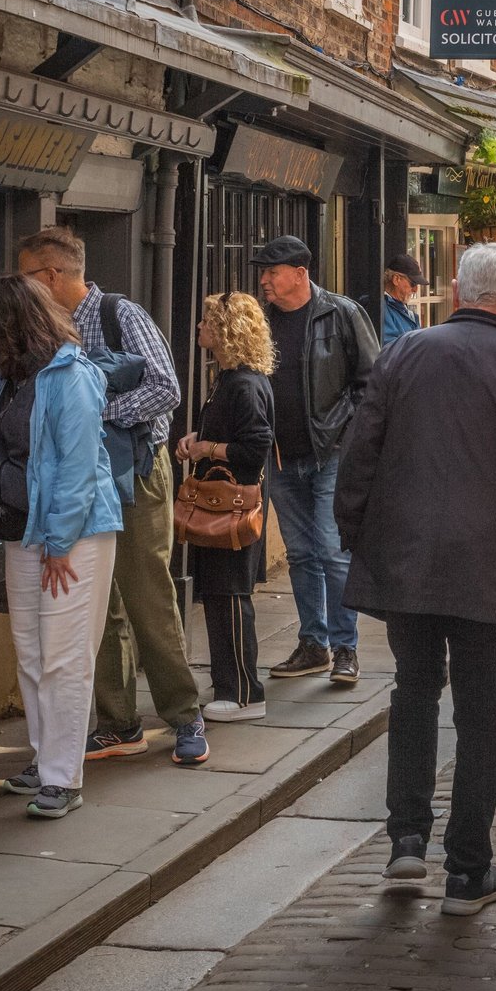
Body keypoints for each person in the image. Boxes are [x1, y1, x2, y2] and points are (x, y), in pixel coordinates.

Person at [336, 242, 496, 916]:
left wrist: (359, 539)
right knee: (483, 718)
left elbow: (359, 459)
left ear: (454, 291)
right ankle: (468, 871)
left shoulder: (403, 354)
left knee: (414, 693)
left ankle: (407, 841)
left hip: (409, 563)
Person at [16, 228, 207, 769]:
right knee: (98, 605)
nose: (24, 288)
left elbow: (166, 389)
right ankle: (118, 724)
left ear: (51, 275)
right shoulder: (47, 328)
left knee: (148, 596)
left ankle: (184, 716)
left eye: (27, 276)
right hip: (80, 479)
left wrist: (92, 414)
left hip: (137, 473)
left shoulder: (120, 314)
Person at [0, 274, 124, 820]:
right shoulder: (12, 377)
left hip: (73, 534)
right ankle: (45, 759)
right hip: (24, 530)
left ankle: (63, 776)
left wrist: (60, 542)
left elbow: (78, 468)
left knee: (64, 654)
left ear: (12, 323)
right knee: (32, 652)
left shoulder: (72, 377)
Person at [253, 235, 381, 686]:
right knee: (302, 554)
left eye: (272, 271)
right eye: (263, 272)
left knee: (331, 550)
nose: (264, 280)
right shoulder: (261, 320)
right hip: (281, 457)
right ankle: (313, 644)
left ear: (300, 273)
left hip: (331, 453)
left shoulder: (341, 313)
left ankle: (346, 648)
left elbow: (372, 384)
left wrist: (351, 437)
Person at [177, 292, 275, 723]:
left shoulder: (244, 384)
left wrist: (206, 446)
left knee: (231, 598)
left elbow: (255, 447)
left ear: (226, 330)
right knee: (221, 596)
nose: (199, 327)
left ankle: (243, 694)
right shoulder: (231, 379)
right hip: (224, 505)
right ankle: (230, 687)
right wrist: (196, 439)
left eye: (207, 321)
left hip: (233, 507)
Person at [380, 253, 426, 347]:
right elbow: (390, 350)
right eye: (413, 284)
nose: (415, 290)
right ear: (396, 279)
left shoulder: (403, 310)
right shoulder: (382, 309)